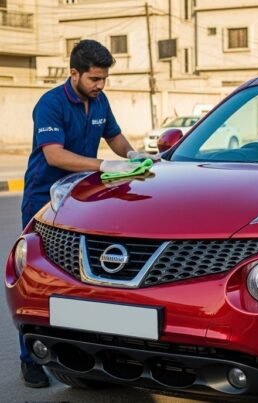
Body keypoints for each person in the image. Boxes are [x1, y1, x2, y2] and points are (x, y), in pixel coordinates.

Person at [19, 39, 158, 388]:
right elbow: (54, 155)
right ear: (74, 73)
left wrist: (133, 155)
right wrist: (103, 164)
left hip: (83, 197)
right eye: (95, 79)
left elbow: (115, 137)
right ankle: (30, 358)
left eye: (104, 79)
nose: (100, 85)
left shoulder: (99, 100)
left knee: (82, 280)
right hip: (44, 198)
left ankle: (86, 351)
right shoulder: (50, 104)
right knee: (37, 280)